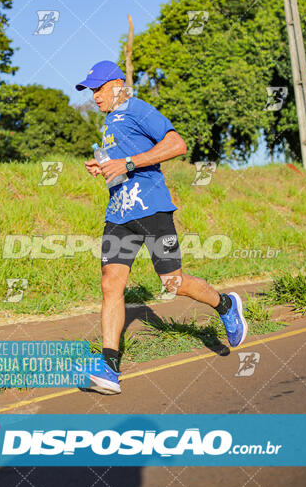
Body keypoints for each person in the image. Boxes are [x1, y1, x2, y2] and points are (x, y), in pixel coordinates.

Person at [76, 60, 247, 394]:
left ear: (117, 84)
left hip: (152, 209)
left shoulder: (138, 109)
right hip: (119, 214)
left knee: (173, 282)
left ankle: (226, 305)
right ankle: (109, 367)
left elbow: (176, 145)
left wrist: (126, 162)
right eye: (90, 90)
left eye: (97, 88)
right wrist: (105, 165)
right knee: (111, 284)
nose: (93, 96)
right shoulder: (111, 121)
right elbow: (126, 161)